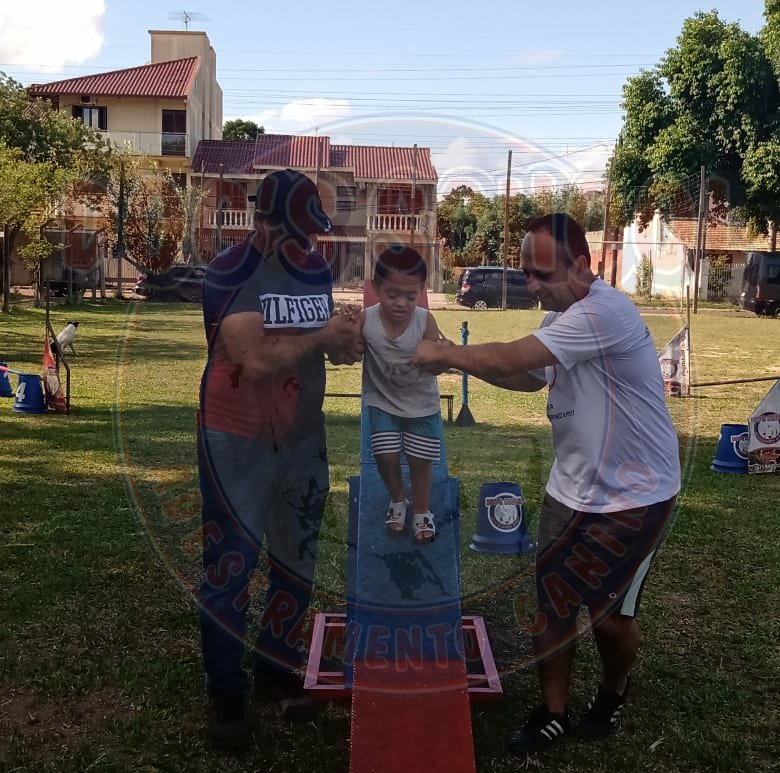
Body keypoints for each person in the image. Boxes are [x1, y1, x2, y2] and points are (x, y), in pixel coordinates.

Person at [415, 213, 680, 753]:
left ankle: (612, 691)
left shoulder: (604, 312)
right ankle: (552, 712)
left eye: (540, 275)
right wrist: (454, 362)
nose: (531, 287)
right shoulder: (566, 318)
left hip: (635, 496)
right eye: (525, 274)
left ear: (581, 265)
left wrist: (445, 353)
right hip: (570, 489)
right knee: (552, 605)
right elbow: (523, 375)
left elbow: (517, 355)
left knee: (607, 621)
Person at [197, 169, 364, 751]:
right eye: (297, 232)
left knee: (296, 562)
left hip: (301, 439)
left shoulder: (315, 269)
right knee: (232, 567)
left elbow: (322, 350)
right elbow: (252, 358)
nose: (310, 245)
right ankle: (226, 692)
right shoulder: (229, 273)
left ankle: (275, 665)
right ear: (262, 222)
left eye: (313, 233)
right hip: (235, 439)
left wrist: (348, 338)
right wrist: (321, 337)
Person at [362, 245, 444, 542]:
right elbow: (347, 348)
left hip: (421, 406)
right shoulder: (366, 320)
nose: (401, 303)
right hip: (382, 401)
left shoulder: (425, 320)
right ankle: (398, 500)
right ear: (376, 288)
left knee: (420, 462)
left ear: (421, 291)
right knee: (385, 456)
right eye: (392, 295)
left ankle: (422, 511)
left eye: (411, 297)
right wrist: (343, 323)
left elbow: (435, 366)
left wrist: (439, 356)